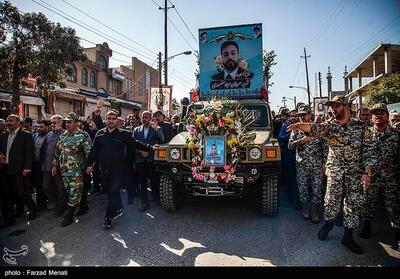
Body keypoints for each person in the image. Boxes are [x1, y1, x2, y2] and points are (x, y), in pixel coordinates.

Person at [287, 95, 376, 254]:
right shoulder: (329, 126)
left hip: (354, 173)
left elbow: (369, 151)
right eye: (331, 106)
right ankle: (328, 224)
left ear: (345, 106)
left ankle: (348, 237)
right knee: (330, 201)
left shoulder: (361, 127)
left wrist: (366, 173)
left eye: (337, 106)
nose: (333, 109)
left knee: (352, 204)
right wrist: (300, 125)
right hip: (335, 171)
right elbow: (314, 128)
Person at [87, 110, 158, 229]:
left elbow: (136, 143)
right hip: (104, 170)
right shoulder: (100, 134)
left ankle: (108, 217)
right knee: (110, 193)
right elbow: (94, 151)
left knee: (114, 191)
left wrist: (150, 148)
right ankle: (119, 208)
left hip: (118, 170)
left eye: (113, 118)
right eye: (109, 118)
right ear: (106, 120)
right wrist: (89, 165)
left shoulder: (123, 134)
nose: (111, 121)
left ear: (117, 120)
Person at [359, 103, 400, 251]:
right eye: (375, 113)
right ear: (371, 117)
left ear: (387, 116)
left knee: (394, 207)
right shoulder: (366, 134)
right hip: (371, 178)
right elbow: (361, 155)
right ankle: (366, 225)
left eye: (382, 112)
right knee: (367, 202)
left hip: (391, 178)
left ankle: (398, 234)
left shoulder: (396, 135)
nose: (378, 115)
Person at [52, 112, 92, 227]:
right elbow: (57, 153)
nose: (67, 124)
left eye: (69, 122)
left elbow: (89, 154)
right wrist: (54, 165)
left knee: (74, 192)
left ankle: (69, 216)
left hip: (77, 171)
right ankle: (83, 206)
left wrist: (89, 167)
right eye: (65, 122)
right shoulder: (63, 136)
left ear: (76, 123)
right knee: (70, 191)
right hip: (64, 171)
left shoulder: (83, 135)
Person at [288, 105, 324, 223]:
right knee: (303, 187)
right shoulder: (295, 129)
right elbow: (290, 145)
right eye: (300, 115)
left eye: (304, 114)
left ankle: (315, 211)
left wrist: (324, 163)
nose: (302, 117)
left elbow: (325, 146)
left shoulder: (318, 128)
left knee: (317, 188)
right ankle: (306, 208)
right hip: (302, 164)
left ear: (310, 115)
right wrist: (302, 140)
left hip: (317, 164)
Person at [0, 114, 36, 228]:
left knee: (22, 192)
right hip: (5, 169)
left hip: (20, 169)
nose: (8, 123)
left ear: (18, 123)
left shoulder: (26, 135)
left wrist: (27, 167)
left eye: (11, 121)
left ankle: (32, 209)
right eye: (7, 121)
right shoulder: (3, 136)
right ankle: (13, 215)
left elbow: (29, 153)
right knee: (8, 194)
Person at [133, 111, 164, 213]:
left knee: (154, 181)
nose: (144, 119)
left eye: (146, 117)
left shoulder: (156, 129)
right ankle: (144, 204)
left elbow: (162, 140)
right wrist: (141, 151)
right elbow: (133, 145)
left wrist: (156, 129)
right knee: (142, 183)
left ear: (150, 118)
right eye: (143, 117)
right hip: (140, 160)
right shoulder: (136, 130)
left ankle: (157, 198)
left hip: (151, 160)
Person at [41, 115, 67, 217]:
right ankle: (59, 202)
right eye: (51, 123)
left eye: (54, 122)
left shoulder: (65, 134)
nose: (52, 125)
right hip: (47, 166)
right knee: (46, 187)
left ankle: (60, 208)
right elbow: (44, 150)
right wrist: (43, 162)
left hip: (59, 167)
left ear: (60, 122)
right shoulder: (49, 134)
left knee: (61, 188)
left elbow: (65, 152)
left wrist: (57, 165)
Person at [278, 109, 300, 208]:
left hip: (303, 157)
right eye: (291, 116)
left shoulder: (304, 125)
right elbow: (280, 137)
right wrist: (290, 134)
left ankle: (300, 201)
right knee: (291, 179)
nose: (293, 118)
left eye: (295, 116)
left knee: (301, 180)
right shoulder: (286, 125)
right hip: (289, 156)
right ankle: (293, 199)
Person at [31, 120, 49, 211]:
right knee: (37, 185)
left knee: (44, 185)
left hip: (44, 164)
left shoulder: (49, 137)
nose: (39, 129)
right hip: (34, 165)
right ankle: (40, 205)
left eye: (41, 127)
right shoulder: (34, 136)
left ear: (46, 127)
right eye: (38, 127)